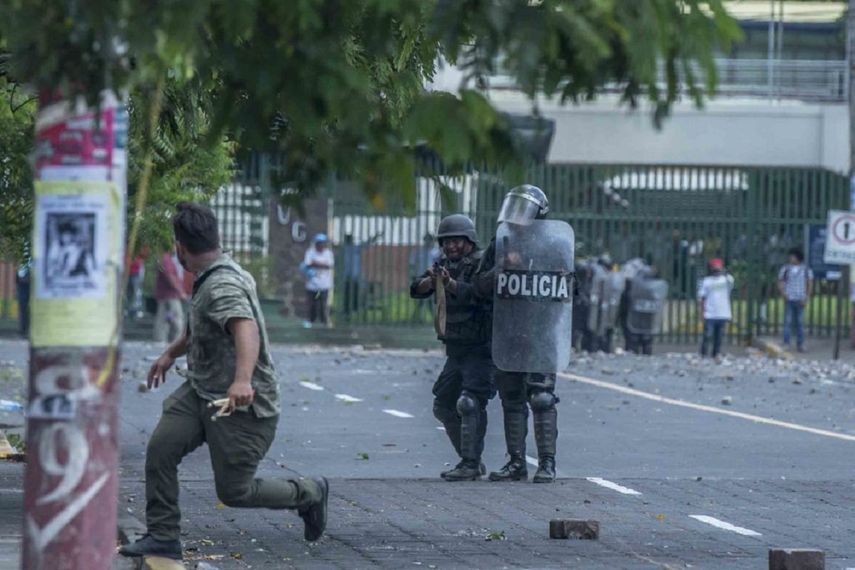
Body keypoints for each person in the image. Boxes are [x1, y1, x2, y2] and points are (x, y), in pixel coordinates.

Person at [119, 203, 328, 561]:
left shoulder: (222, 283)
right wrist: (171, 353)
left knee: (235, 491)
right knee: (160, 450)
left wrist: (242, 381)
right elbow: (202, 323)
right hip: (201, 390)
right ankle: (163, 535)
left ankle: (309, 492)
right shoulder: (217, 271)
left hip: (241, 404)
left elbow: (244, 326)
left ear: (181, 248)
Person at [474, 185, 561, 483]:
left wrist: (556, 276)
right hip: (508, 332)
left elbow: (572, 291)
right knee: (511, 397)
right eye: (514, 210)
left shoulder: (555, 246)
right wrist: (499, 270)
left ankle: (547, 463)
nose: (516, 219)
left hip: (541, 334)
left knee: (541, 398)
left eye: (523, 212)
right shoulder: (499, 245)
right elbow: (477, 287)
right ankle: (516, 463)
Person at [410, 215, 495, 482]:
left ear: (469, 241)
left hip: (480, 348)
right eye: (447, 242)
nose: (452, 247)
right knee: (443, 404)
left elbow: (478, 293)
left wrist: (449, 284)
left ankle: (470, 463)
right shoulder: (444, 265)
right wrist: (431, 281)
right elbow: (416, 288)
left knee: (469, 403)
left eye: (457, 241)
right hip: (455, 349)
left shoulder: (483, 264)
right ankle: (471, 460)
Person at [777, 247, 813, 352]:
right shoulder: (786, 269)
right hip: (789, 298)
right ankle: (786, 343)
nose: (790, 258)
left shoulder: (806, 269)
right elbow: (780, 281)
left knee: (800, 323)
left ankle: (800, 344)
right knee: (787, 322)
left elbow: (810, 283)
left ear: (797, 257)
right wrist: (784, 293)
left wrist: (806, 297)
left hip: (800, 298)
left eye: (792, 256)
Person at [341, 232, 382, 321]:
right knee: (348, 295)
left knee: (354, 294)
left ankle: (352, 311)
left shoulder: (355, 248)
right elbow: (366, 244)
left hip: (354, 277)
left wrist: (375, 237)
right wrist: (374, 237)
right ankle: (347, 312)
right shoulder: (344, 249)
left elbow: (366, 244)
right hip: (348, 277)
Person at [697, 258, 733, 359]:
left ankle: (715, 353)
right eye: (714, 268)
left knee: (719, 336)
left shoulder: (726, 280)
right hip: (710, 313)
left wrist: (724, 272)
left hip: (723, 313)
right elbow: (702, 298)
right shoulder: (706, 281)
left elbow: (731, 281)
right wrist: (702, 312)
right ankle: (704, 353)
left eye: (718, 268)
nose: (716, 270)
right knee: (707, 335)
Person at [153, 248, 188, 343]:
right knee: (177, 319)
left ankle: (161, 339)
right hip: (170, 295)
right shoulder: (166, 259)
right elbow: (170, 277)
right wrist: (180, 291)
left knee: (164, 318)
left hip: (166, 294)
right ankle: (176, 341)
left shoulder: (165, 258)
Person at [302, 234, 334, 328]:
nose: (320, 245)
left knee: (323, 304)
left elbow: (329, 265)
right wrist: (320, 264)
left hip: (324, 284)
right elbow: (308, 263)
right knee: (312, 304)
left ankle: (325, 321)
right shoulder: (310, 252)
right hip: (312, 284)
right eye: (318, 243)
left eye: (322, 243)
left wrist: (315, 263)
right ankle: (310, 320)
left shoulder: (328, 253)